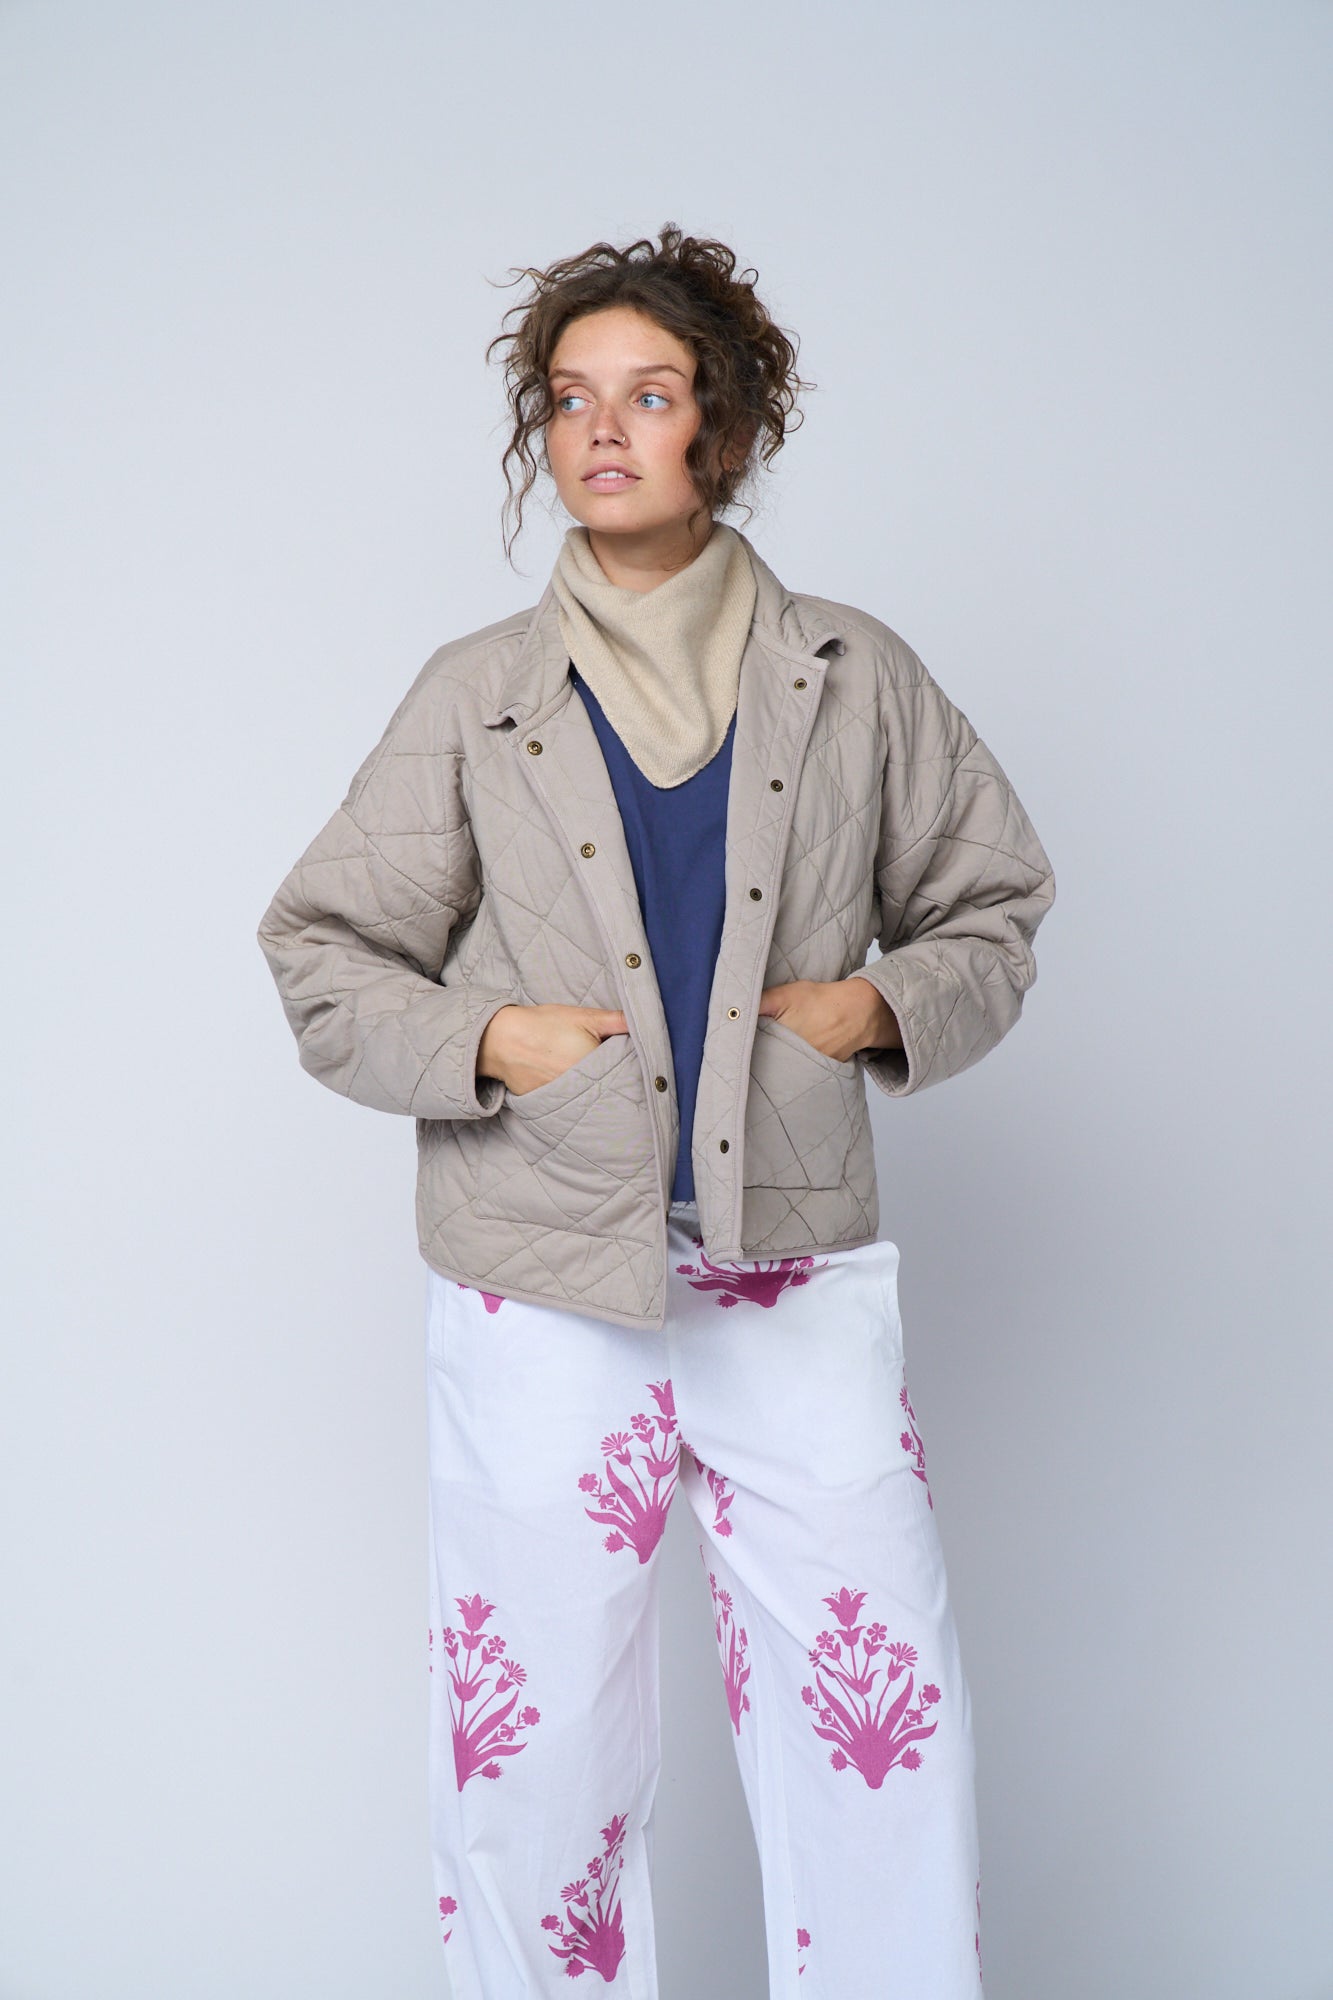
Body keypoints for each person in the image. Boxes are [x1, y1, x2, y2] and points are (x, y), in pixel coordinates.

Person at [256, 222, 1055, 2000]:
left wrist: (877, 1006)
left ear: (727, 427)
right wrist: (489, 1042)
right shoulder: (476, 694)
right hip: (538, 1280)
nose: (602, 429)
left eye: (650, 393)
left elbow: (993, 903)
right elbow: (321, 948)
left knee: (875, 1733)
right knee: (537, 1757)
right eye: (568, 399)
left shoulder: (852, 671)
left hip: (794, 1270)